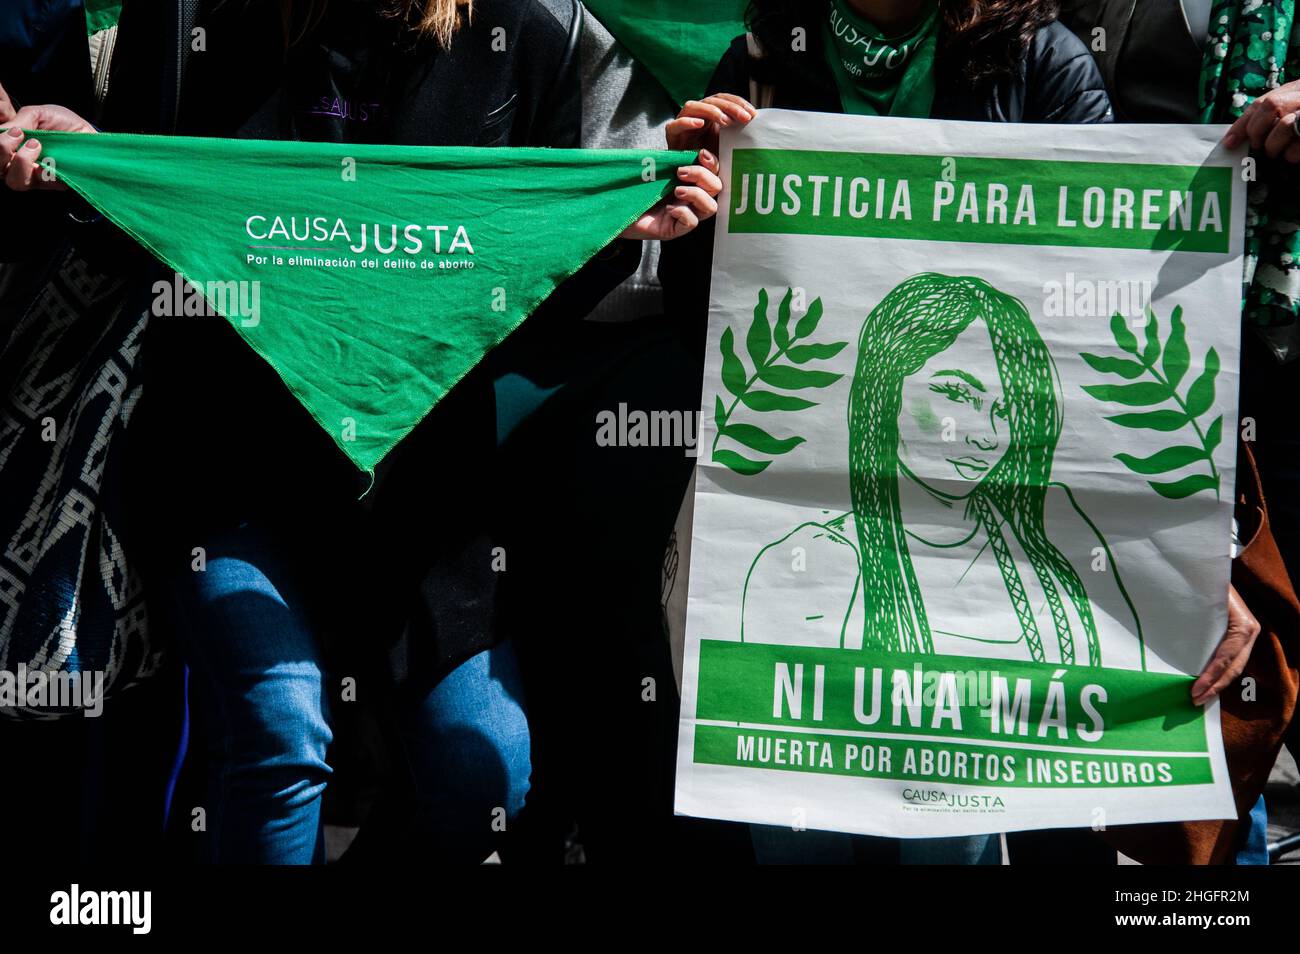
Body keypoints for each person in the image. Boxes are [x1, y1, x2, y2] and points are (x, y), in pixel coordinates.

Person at [0, 0, 722, 864]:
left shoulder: (531, 30)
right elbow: (159, 216)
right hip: (233, 470)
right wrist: (80, 167)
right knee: (281, 735)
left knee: (482, 771)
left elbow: (521, 298)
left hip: (423, 496)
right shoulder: (207, 16)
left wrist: (620, 234)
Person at [658, 0, 1114, 866]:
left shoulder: (1044, 62)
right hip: (794, 505)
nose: (981, 429)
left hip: (998, 580)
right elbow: (705, 334)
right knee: (798, 834)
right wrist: (697, 215)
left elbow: (1099, 301)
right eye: (949, 388)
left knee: (962, 839)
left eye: (1000, 403)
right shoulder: (759, 57)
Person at [742, 274, 1143, 670]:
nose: (986, 436)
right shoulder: (819, 559)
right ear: (886, 386)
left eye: (1006, 411)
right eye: (955, 393)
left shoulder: (1055, 543)